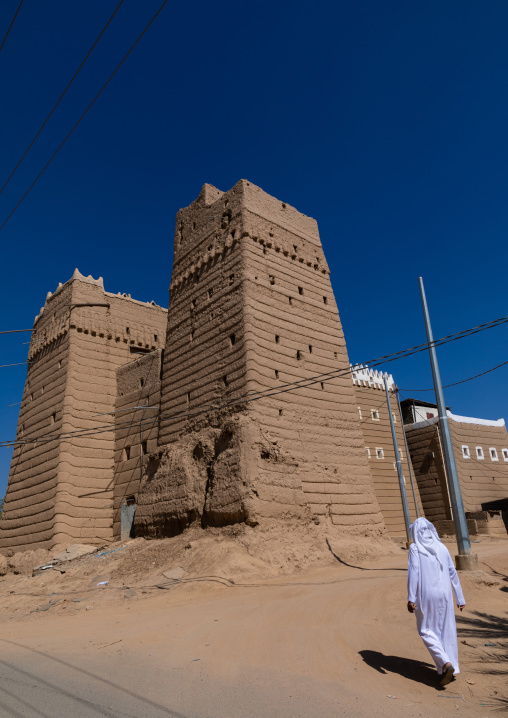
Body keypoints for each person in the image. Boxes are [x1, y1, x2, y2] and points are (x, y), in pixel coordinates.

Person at [407, 517, 466, 686]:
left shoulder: (415, 548)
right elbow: (452, 573)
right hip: (445, 595)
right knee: (445, 630)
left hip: (426, 595)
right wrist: (460, 598)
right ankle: (446, 668)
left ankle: (445, 663)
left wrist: (411, 597)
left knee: (426, 630)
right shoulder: (442, 547)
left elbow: (414, 573)